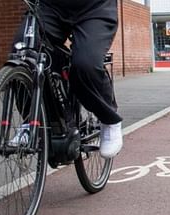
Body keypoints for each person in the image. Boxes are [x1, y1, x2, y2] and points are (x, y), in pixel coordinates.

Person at [13, 0, 123, 159]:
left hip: (94, 9)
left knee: (85, 64)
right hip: (50, 6)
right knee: (24, 54)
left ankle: (109, 119)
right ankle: (31, 122)